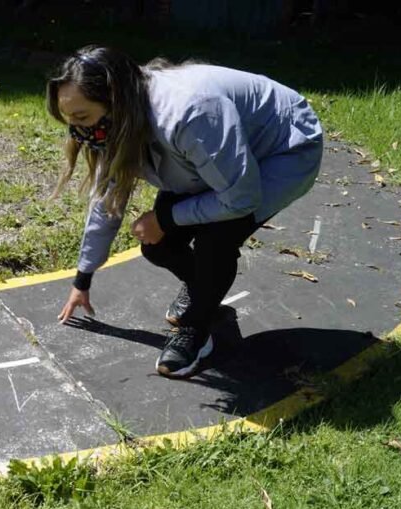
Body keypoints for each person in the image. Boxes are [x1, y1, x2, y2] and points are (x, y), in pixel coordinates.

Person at [47, 45, 324, 378]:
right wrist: (83, 278)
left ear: (115, 101)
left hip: (283, 148)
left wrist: (165, 217)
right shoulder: (122, 120)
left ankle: (197, 330)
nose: (78, 132)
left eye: (82, 118)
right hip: (217, 158)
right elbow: (107, 200)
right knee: (157, 245)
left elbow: (240, 197)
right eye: (70, 121)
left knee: (216, 240)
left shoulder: (190, 112)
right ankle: (203, 293)